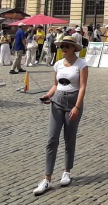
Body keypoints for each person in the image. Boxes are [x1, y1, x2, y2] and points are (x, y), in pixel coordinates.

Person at [34, 35, 89, 195]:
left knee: (69, 138)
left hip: (73, 102)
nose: (63, 48)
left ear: (74, 48)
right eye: (61, 46)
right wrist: (47, 96)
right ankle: (47, 179)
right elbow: (56, 85)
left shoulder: (82, 64)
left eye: (66, 46)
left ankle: (67, 171)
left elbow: (83, 87)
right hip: (57, 101)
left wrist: (77, 107)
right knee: (52, 139)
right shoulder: (58, 64)